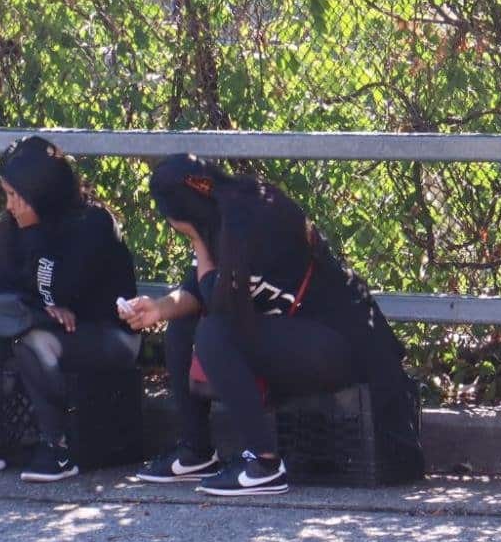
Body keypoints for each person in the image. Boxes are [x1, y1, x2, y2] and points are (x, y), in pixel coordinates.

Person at [120, 155, 422, 497]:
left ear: (181, 213)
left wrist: (198, 244)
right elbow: (198, 289)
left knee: (214, 332)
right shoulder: (220, 215)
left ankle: (263, 464)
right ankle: (196, 451)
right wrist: (159, 308)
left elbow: (217, 299)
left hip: (341, 343)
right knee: (183, 324)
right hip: (301, 336)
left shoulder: (255, 217)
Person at [0, 137, 140, 482]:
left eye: (15, 195)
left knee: (34, 341)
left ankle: (57, 447)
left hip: (107, 332)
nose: (10, 205)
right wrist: (43, 308)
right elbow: (5, 288)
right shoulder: (14, 225)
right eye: (6, 194)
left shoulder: (93, 224)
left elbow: (67, 290)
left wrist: (35, 243)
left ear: (42, 192)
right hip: (42, 322)